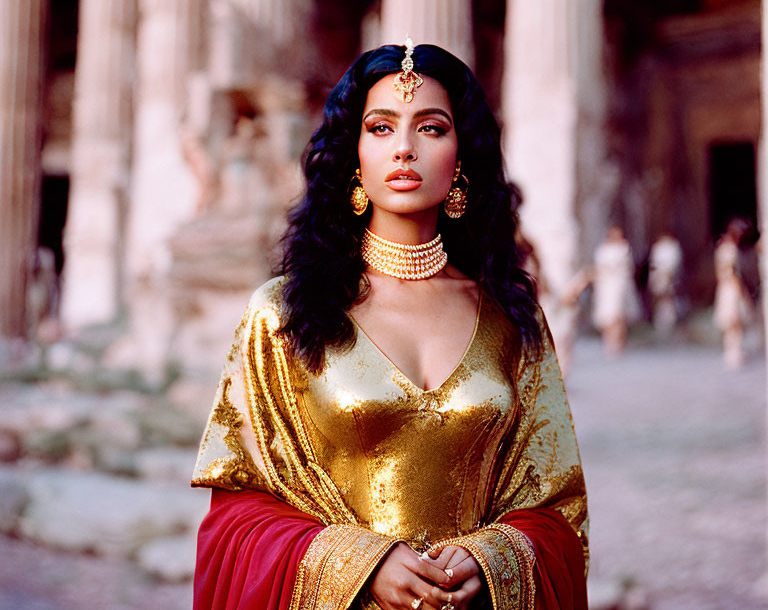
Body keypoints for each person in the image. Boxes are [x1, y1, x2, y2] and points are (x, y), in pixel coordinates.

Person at [191, 42, 588, 610]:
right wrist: (359, 564)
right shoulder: (284, 313)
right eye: (380, 128)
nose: (404, 148)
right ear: (353, 153)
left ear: (461, 156)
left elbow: (556, 509)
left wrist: (492, 557)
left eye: (430, 128)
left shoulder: (511, 318)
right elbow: (237, 516)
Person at [591, 226, 638, 358]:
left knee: (618, 315)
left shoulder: (624, 248)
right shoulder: (602, 249)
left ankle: (619, 343)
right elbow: (598, 267)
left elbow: (627, 267)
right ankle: (608, 342)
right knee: (607, 315)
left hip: (620, 285)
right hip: (605, 286)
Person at [713, 218, 753, 369]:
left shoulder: (723, 248)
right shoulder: (729, 250)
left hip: (726, 287)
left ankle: (733, 352)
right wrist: (740, 290)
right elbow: (731, 272)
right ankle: (733, 354)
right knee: (733, 321)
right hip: (731, 287)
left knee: (733, 323)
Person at [647, 232, 683, 335]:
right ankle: (659, 325)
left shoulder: (673, 248)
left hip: (668, 278)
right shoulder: (657, 248)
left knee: (667, 300)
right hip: (657, 277)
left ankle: (669, 324)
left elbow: (672, 267)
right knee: (658, 302)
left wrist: (667, 279)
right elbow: (654, 266)